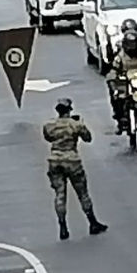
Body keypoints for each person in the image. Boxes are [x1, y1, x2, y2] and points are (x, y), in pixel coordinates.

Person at [42, 98, 108, 241]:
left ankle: (63, 227)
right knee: (82, 193)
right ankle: (92, 222)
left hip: (54, 161)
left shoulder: (49, 125)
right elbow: (88, 138)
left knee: (60, 194)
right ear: (69, 110)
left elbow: (48, 138)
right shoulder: (76, 125)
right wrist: (80, 124)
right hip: (72, 161)